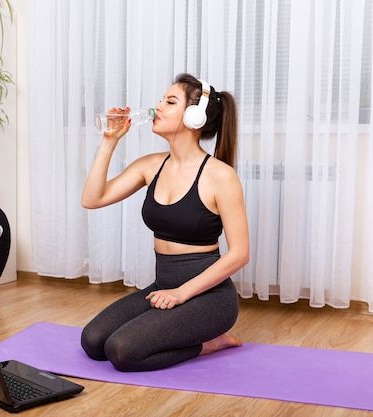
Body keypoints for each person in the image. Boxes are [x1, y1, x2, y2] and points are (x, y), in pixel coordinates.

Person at [80, 73, 250, 372]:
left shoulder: (220, 176)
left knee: (122, 352)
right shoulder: (150, 165)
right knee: (93, 342)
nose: (157, 107)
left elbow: (240, 254)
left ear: (195, 117)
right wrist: (109, 141)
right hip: (163, 286)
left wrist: (181, 293)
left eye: (169, 101)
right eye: (161, 99)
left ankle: (209, 343)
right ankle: (190, 335)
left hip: (208, 297)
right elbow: (93, 199)